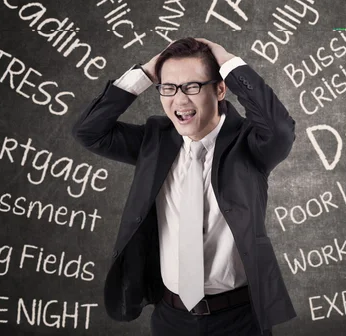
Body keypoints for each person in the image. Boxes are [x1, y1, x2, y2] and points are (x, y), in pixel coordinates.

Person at [71, 37, 297, 335]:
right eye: (169, 88)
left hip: (239, 320)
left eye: (192, 87)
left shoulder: (251, 144)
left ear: (219, 89)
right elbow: (88, 131)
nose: (180, 100)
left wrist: (227, 59)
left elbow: (280, 128)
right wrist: (146, 74)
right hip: (170, 319)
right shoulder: (154, 141)